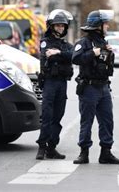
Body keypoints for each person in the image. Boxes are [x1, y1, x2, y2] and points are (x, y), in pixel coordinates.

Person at [72, 9, 119, 165]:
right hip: (89, 88)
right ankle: (84, 153)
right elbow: (75, 58)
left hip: (104, 87)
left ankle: (106, 153)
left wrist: (109, 54)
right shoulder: (84, 42)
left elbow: (106, 65)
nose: (108, 26)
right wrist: (91, 54)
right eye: (105, 23)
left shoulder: (104, 43)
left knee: (107, 121)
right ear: (98, 25)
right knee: (86, 121)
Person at [36, 9, 74, 160]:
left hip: (62, 83)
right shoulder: (46, 42)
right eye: (57, 25)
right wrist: (60, 55)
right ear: (51, 26)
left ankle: (51, 148)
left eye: (62, 26)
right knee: (47, 116)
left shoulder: (66, 45)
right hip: (50, 82)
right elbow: (47, 56)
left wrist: (58, 54)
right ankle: (41, 147)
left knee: (58, 116)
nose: (60, 28)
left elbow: (73, 56)